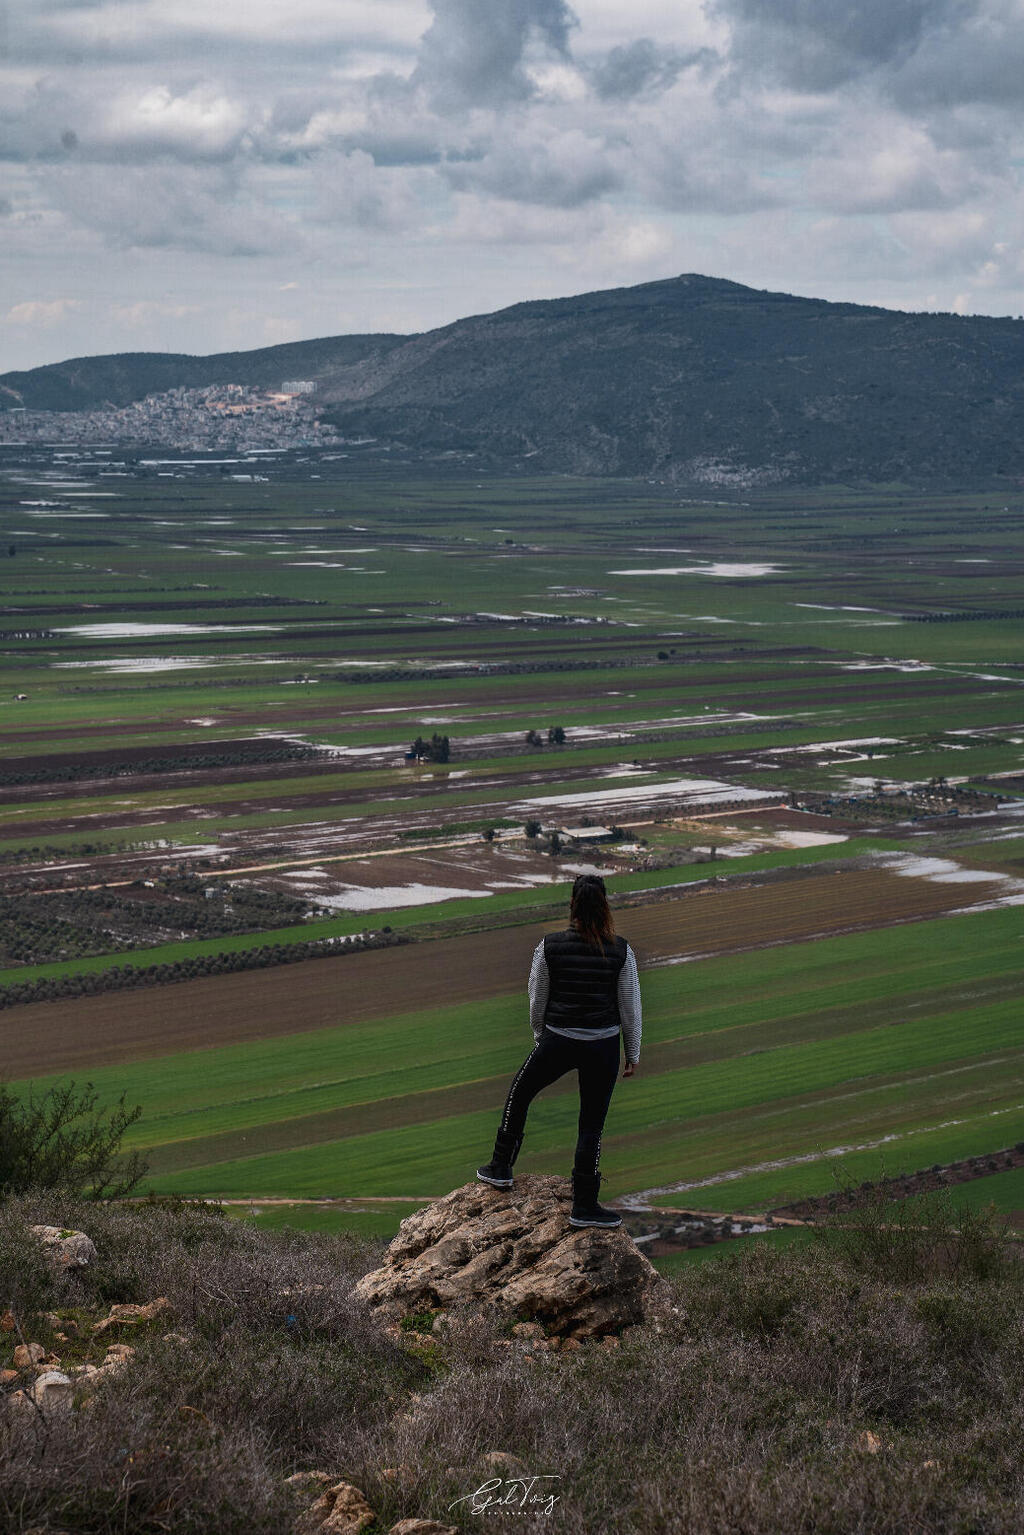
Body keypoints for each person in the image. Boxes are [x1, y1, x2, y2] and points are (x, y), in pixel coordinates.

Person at [476, 873, 642, 1228]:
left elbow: (538, 999)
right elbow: (629, 1004)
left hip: (558, 1039)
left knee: (519, 1094)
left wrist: (541, 1038)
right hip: (603, 1046)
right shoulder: (621, 950)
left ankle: (501, 1167)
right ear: (605, 906)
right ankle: (584, 1205)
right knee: (591, 1125)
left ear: (572, 906)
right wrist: (633, 1052)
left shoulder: (549, 946)